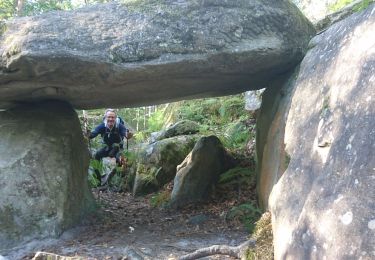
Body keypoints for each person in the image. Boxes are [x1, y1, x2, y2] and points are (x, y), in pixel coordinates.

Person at [88, 108, 132, 183]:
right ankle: (98, 180)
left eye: (112, 117)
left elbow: (125, 133)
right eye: (109, 117)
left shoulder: (119, 126)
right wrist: (88, 134)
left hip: (118, 148)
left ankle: (119, 181)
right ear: (105, 117)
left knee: (121, 159)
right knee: (97, 155)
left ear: (115, 118)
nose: (111, 119)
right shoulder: (102, 126)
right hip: (107, 148)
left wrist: (128, 135)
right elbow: (94, 133)